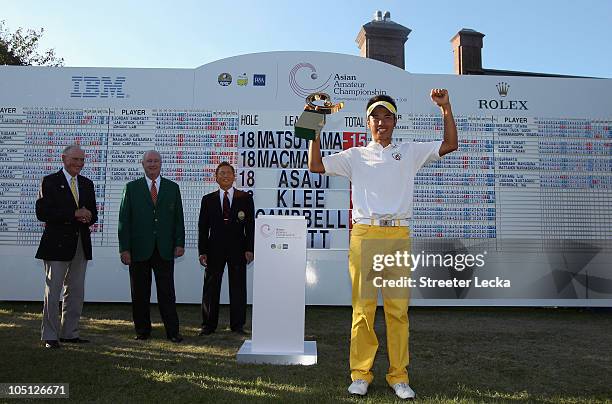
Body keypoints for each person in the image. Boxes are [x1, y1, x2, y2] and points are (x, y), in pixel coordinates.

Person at [307, 90, 458, 399]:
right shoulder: (355, 155)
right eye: (375, 116)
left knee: (397, 312)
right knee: (363, 310)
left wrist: (446, 108)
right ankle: (360, 374)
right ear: (367, 122)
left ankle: (398, 376)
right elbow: (316, 166)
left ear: (395, 121)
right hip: (365, 234)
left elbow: (450, 145)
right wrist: (314, 127)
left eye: (386, 116)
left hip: (398, 236)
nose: (381, 122)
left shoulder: (410, 151)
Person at [118, 150, 185, 343]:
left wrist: (179, 243)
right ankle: (142, 331)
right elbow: (124, 220)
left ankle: (173, 332)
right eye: (149, 161)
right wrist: (125, 248)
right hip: (139, 250)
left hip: (164, 249)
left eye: (156, 161)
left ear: (161, 163)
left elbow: (178, 219)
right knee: (140, 293)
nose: (153, 164)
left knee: (167, 293)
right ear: (143, 164)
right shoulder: (131, 188)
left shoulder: (173, 188)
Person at [35, 144, 98, 349]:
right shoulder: (50, 181)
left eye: (82, 160)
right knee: (53, 293)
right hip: (56, 244)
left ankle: (70, 333)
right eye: (75, 159)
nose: (79, 163)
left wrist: (88, 216)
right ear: (64, 158)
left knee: (76, 291)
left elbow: (92, 214)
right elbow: (43, 213)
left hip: (80, 244)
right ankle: (50, 335)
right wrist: (74, 214)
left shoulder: (87, 183)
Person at [198, 162, 254, 335]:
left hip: (238, 249)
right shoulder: (208, 200)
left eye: (228, 173)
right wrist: (202, 251)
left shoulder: (244, 198)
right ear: (216, 177)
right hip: (214, 249)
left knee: (238, 287)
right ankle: (208, 325)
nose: (225, 176)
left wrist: (250, 249)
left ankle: (237, 325)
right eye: (221, 173)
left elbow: (250, 226)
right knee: (211, 288)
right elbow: (203, 227)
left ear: (234, 176)